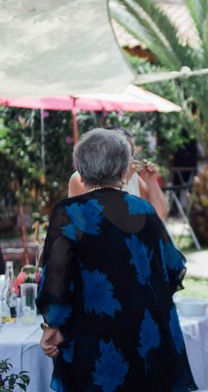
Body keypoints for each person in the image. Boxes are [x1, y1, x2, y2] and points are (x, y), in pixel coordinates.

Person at [37, 129, 196, 391]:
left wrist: (52, 324)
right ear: (123, 171)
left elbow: (56, 277)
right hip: (147, 339)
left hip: (94, 340)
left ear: (80, 169)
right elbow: (174, 267)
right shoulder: (143, 209)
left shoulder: (70, 212)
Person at [68, 127, 168, 219]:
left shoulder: (134, 178)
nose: (131, 159)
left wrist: (151, 181)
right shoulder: (82, 177)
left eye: (132, 154)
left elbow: (158, 214)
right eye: (126, 155)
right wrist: (124, 180)